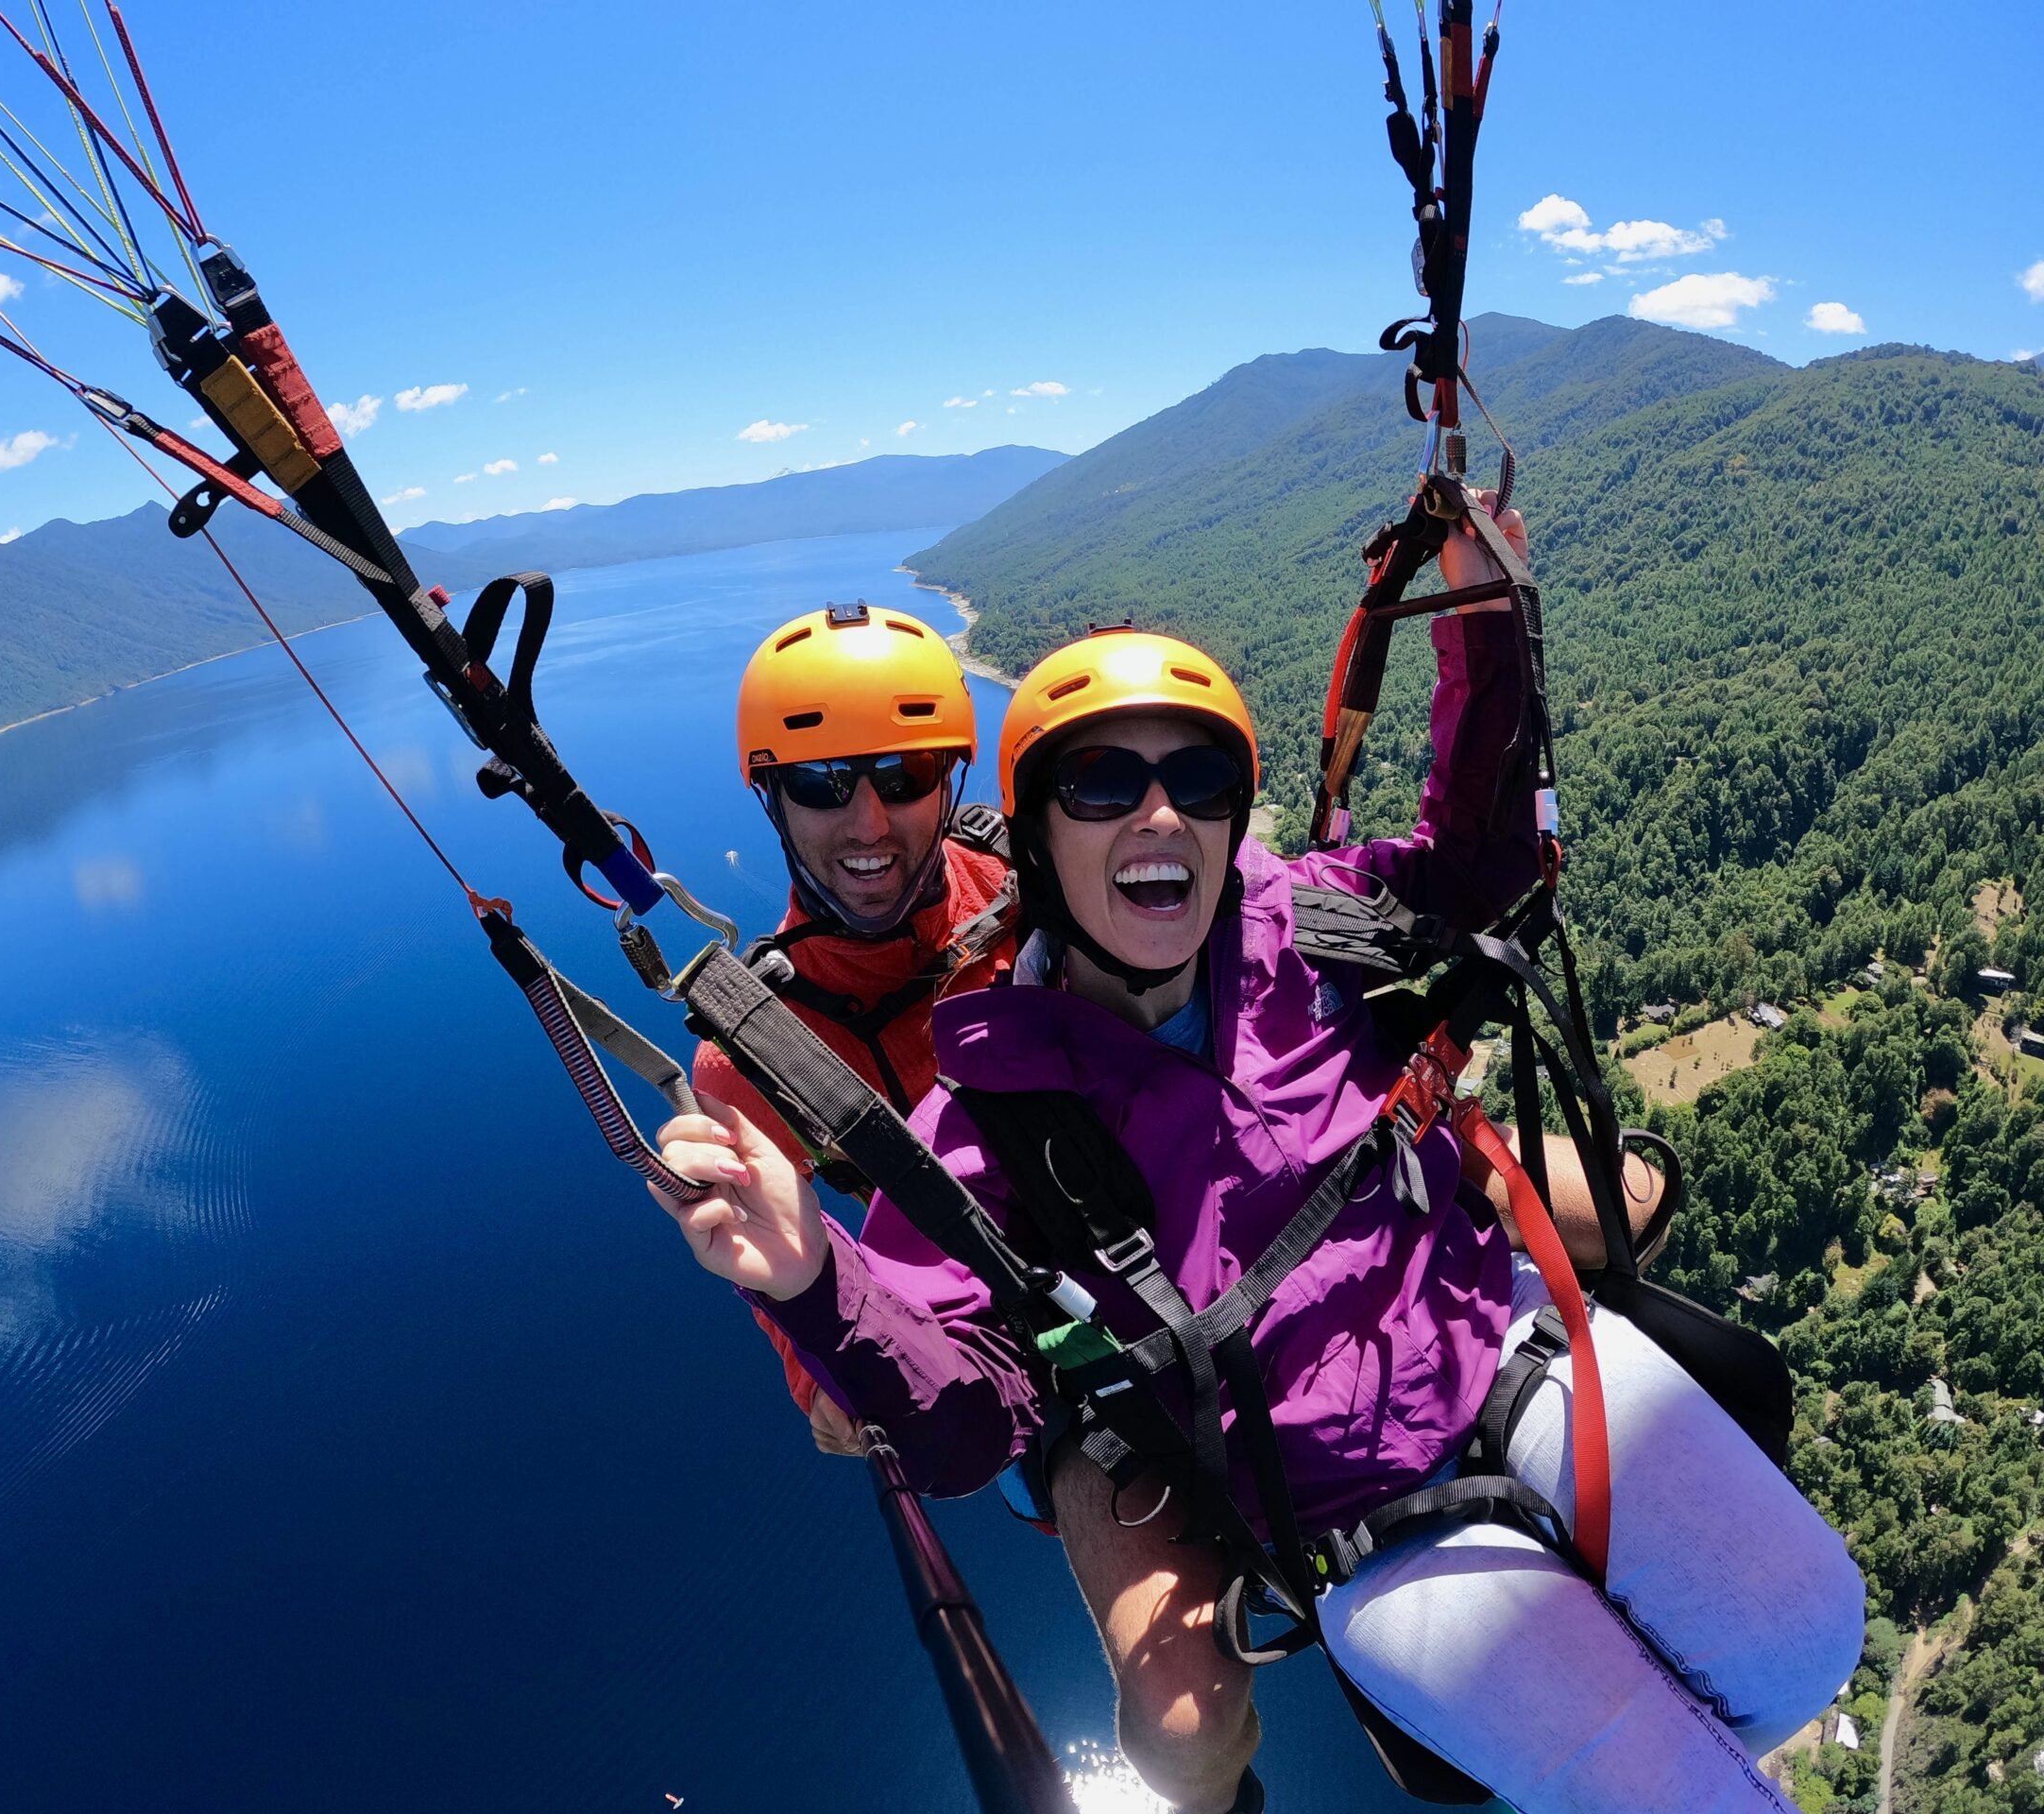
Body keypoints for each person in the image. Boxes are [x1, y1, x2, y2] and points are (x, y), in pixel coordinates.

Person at [650, 505, 1863, 1813]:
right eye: (1103, 786)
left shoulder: (1304, 923)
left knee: (1810, 1633)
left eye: (1201, 784)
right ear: (1042, 832)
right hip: (1311, 1485)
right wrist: (811, 1286)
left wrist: (1483, 615)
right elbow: (959, 1408)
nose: (1156, 816)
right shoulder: (971, 1114)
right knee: (1632, 1785)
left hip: (1488, 1342)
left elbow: (1481, 860)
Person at [706, 601, 1014, 1455]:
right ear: (773, 798)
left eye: (905, 773)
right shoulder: (751, 1057)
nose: (869, 823)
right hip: (975, 1332)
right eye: (820, 783)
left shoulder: (1037, 893)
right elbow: (777, 1260)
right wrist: (818, 1376)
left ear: (948, 781)